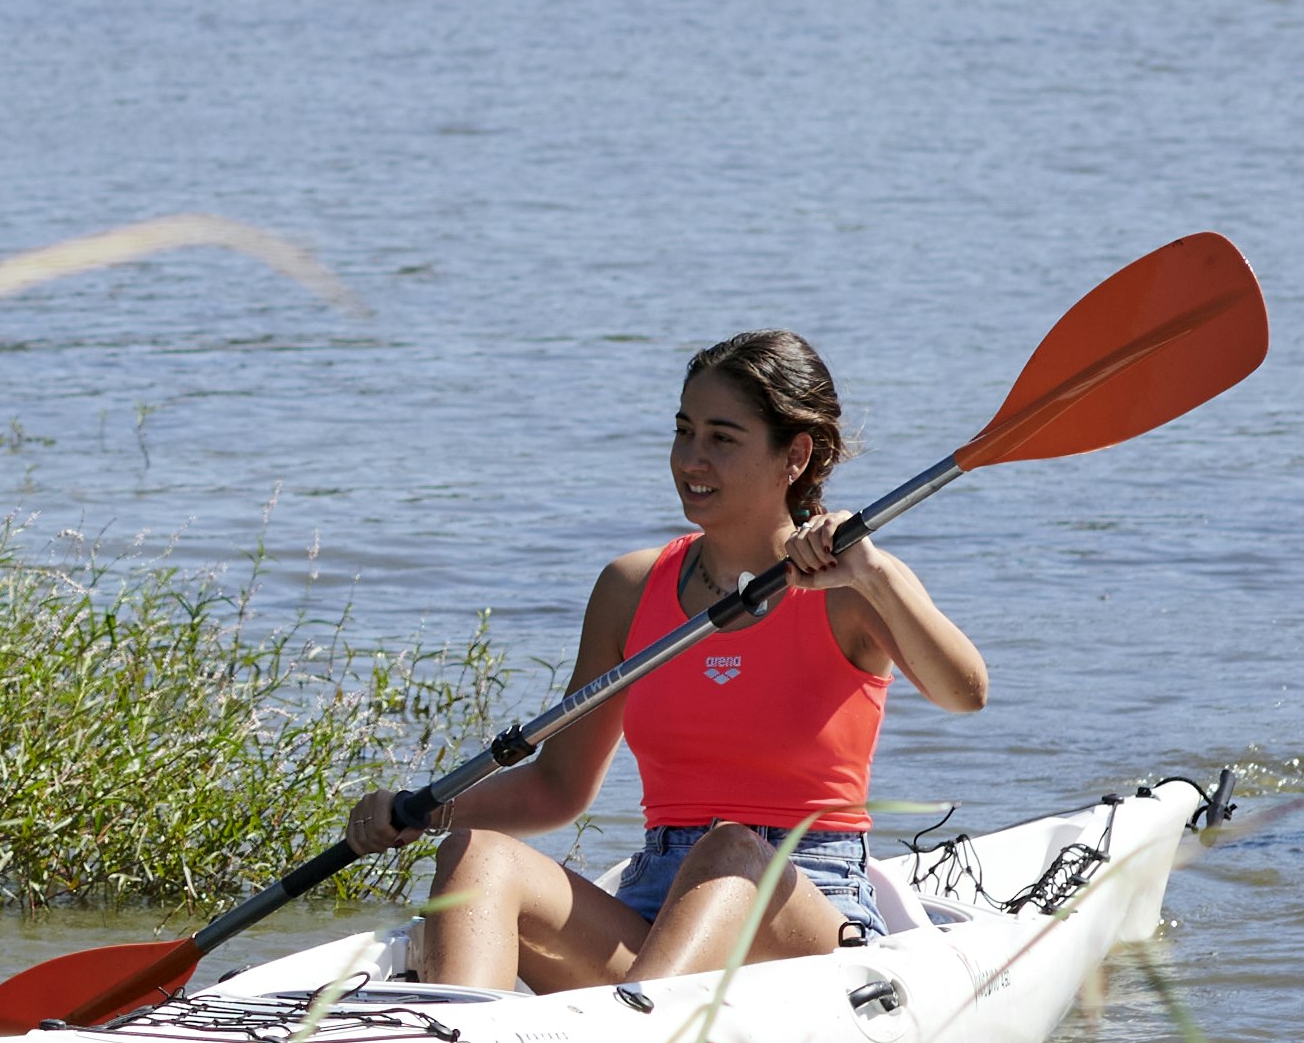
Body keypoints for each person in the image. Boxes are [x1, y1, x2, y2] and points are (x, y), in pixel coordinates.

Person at [339, 331, 991, 990]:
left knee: (732, 849)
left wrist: (876, 574)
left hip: (806, 915)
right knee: (477, 856)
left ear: (794, 456)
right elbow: (557, 787)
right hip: (649, 913)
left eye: (721, 438)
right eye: (684, 432)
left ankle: (628, 1042)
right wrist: (422, 812)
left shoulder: (853, 587)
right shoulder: (631, 588)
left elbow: (965, 693)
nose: (691, 459)